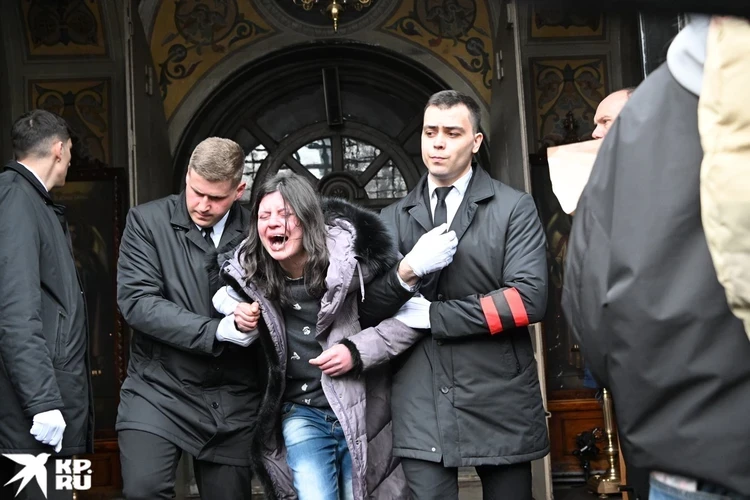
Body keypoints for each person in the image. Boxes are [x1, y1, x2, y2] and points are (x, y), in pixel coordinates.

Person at [562, 14, 750, 500]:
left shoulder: (651, 122)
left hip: (684, 436)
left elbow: (585, 298)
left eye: (606, 121)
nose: (595, 133)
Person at [217, 171, 458, 500]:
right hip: (300, 413)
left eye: (285, 214)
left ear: (308, 218)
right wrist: (235, 313)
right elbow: (224, 299)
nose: (273, 223)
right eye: (264, 215)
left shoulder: (354, 259)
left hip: (362, 410)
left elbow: (413, 318)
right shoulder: (251, 273)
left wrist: (355, 352)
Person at [382, 90, 550, 499]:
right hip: (420, 395)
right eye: (430, 132)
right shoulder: (392, 218)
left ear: (475, 142)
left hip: (499, 393)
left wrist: (435, 316)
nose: (438, 143)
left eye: (452, 133)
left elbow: (528, 300)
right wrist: (406, 271)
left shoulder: (513, 208)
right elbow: (368, 308)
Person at [116, 137, 264, 499]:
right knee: (144, 490)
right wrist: (217, 330)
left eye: (216, 198)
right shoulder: (146, 221)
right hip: (158, 388)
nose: (202, 205)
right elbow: (137, 302)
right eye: (196, 192)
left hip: (234, 395)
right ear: (187, 175)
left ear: (239, 190)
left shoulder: (259, 229)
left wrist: (257, 316)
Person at [0, 109, 93, 500]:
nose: (70, 159)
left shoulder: (31, 200)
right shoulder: (16, 198)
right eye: (70, 150)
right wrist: (42, 402)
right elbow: (15, 310)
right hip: (36, 411)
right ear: (59, 149)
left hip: (48, 400)